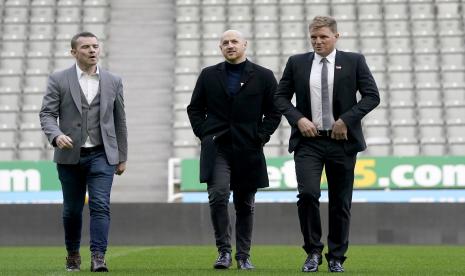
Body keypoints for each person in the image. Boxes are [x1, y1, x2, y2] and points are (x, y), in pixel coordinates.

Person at [275, 16, 380, 273]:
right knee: (308, 194)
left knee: (340, 202)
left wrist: (346, 119)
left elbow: (372, 96)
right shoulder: (296, 62)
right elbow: (280, 97)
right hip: (308, 143)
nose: (318, 41)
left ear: (336, 36)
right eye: (313, 37)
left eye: (323, 36)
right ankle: (313, 251)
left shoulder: (354, 61)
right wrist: (298, 119)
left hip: (341, 143)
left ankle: (336, 257)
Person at [187, 30, 281, 270]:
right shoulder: (208, 75)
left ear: (245, 45)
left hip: (248, 148)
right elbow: (194, 108)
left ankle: (244, 256)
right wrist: (204, 133)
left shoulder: (264, 76)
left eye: (234, 41)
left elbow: (274, 111)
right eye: (225, 42)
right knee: (218, 195)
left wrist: (261, 136)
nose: (230, 45)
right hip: (217, 146)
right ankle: (224, 252)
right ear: (220, 47)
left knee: (245, 204)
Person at [39, 31, 127, 272]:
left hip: (102, 154)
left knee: (100, 205)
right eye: (86, 46)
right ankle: (72, 253)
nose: (92, 50)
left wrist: (122, 156)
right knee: (72, 210)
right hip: (69, 157)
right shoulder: (58, 79)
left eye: (95, 46)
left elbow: (120, 120)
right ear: (73, 52)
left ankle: (98, 256)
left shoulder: (113, 80)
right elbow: (47, 114)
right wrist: (56, 136)